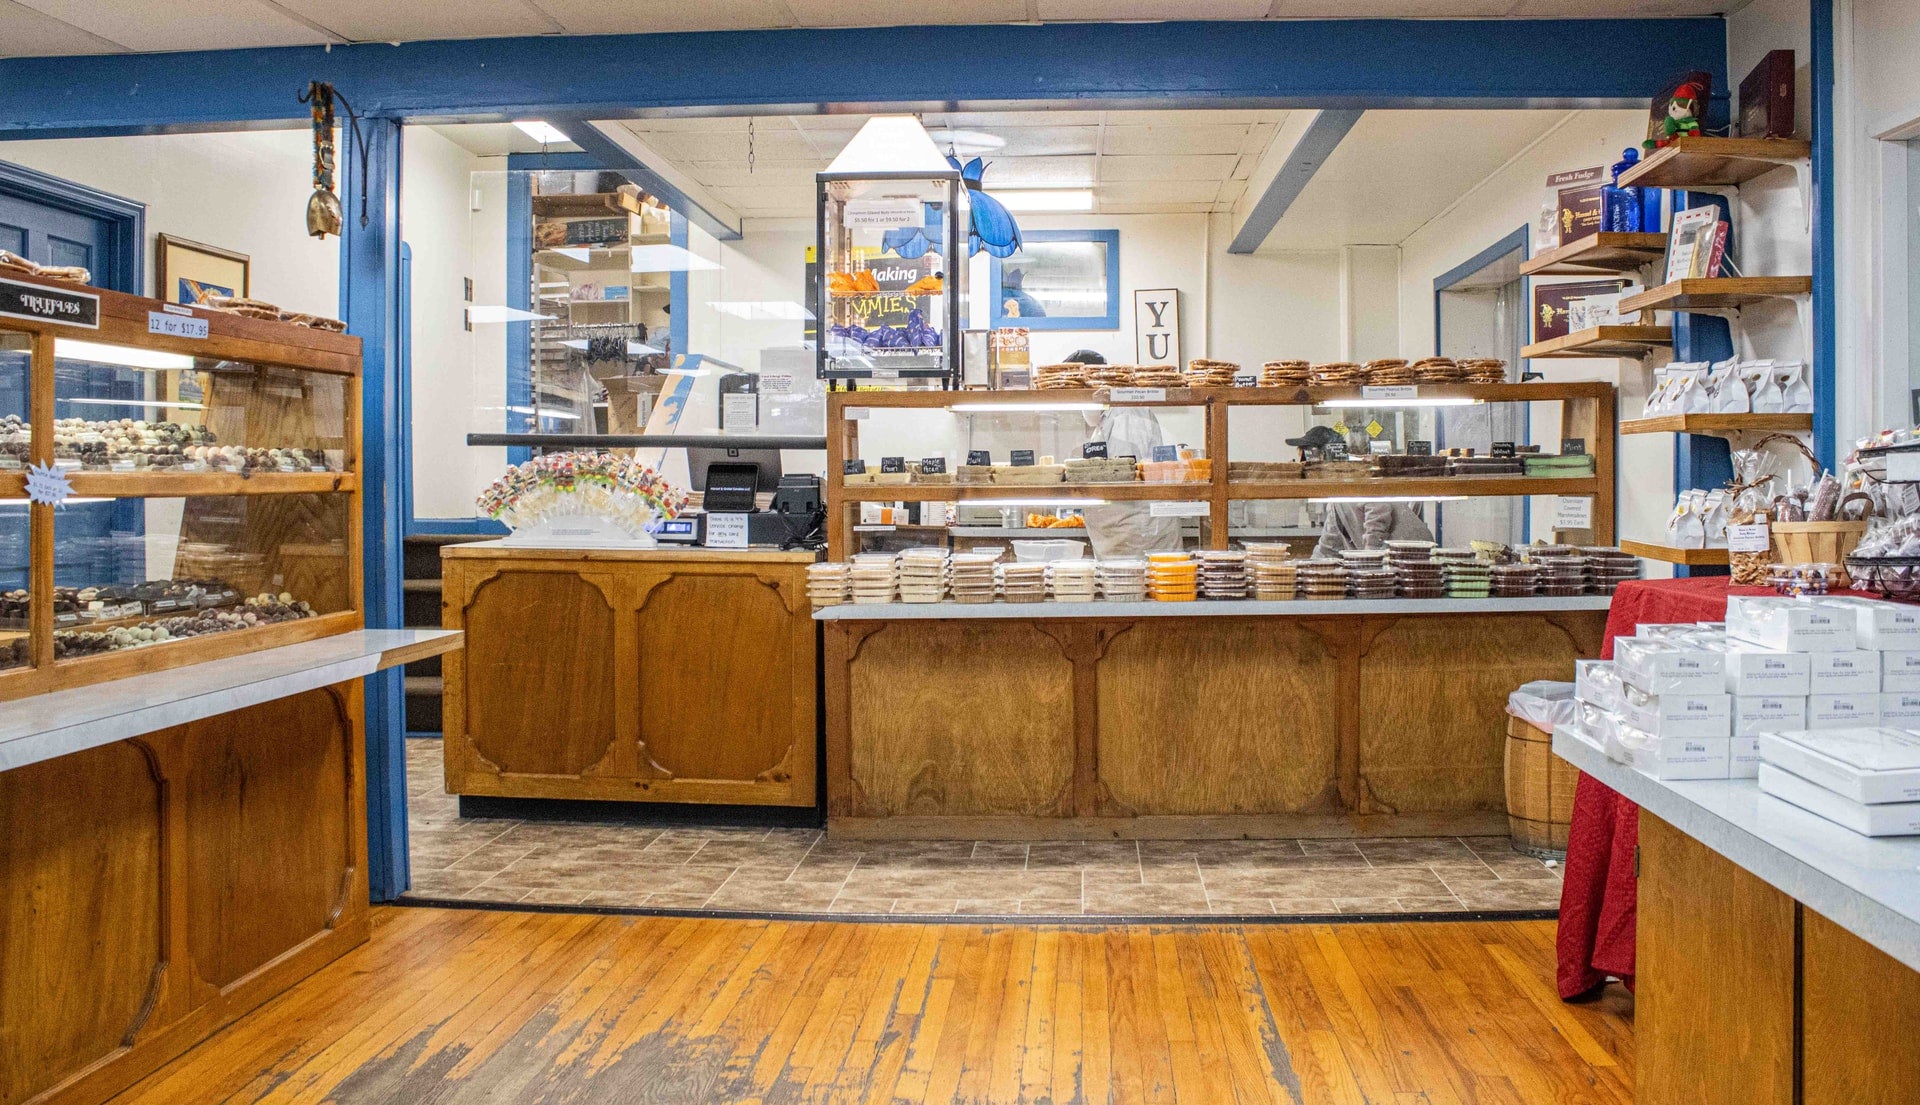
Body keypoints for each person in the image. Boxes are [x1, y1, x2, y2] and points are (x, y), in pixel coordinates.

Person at [1068, 350, 1183, 558]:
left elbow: (1122, 474)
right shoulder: (1106, 420)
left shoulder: (1127, 414)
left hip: (1140, 535)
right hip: (1123, 535)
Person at [1284, 426, 1439, 557]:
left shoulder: (1355, 474)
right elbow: (1330, 540)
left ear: (1320, 456)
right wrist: (1309, 566)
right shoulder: (1335, 487)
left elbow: (1379, 508)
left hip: (1414, 552)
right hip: (1398, 555)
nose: (1301, 465)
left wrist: (1370, 556)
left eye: (1304, 458)